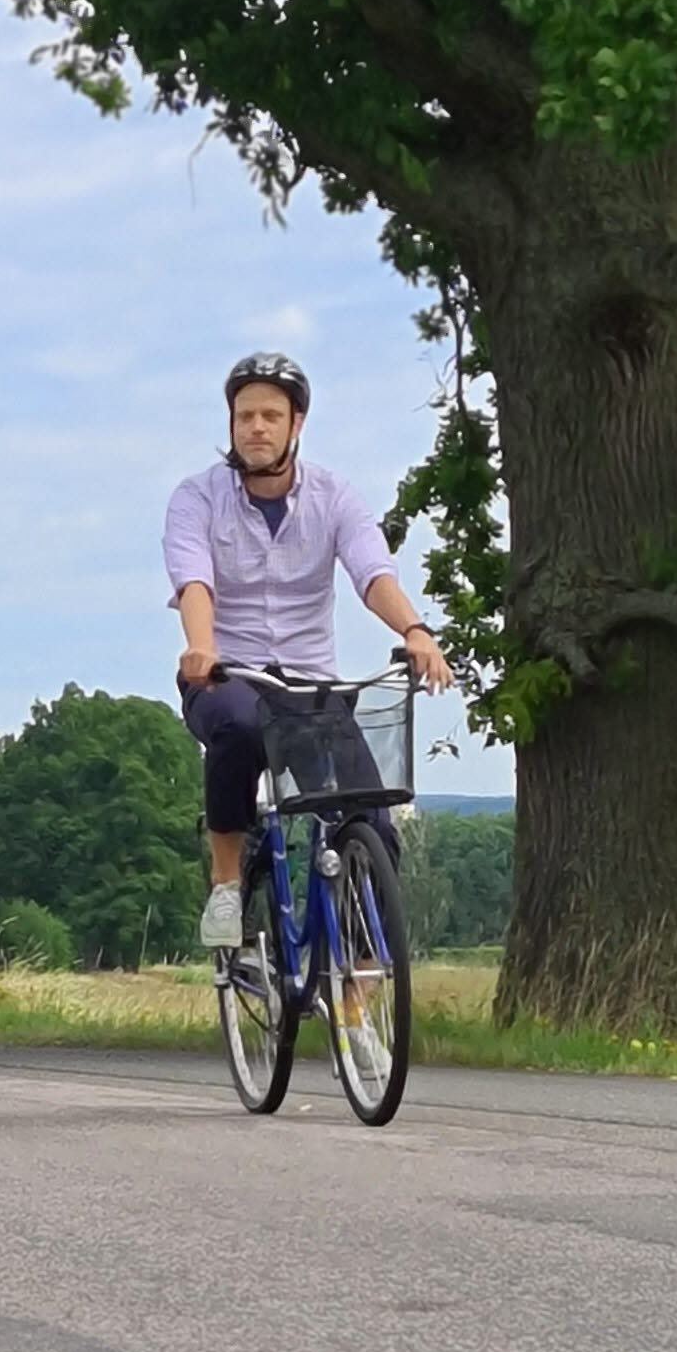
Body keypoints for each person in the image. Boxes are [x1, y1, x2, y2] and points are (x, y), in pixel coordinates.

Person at [163, 354, 454, 947]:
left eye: (270, 416)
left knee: (371, 819)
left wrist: (415, 630)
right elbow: (196, 583)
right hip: (227, 674)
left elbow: (373, 574)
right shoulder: (197, 498)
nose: (256, 428)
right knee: (238, 728)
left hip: (310, 687)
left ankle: (362, 971)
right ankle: (226, 885)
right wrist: (201, 647)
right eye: (245, 416)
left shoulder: (334, 497)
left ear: (297, 424)